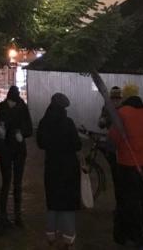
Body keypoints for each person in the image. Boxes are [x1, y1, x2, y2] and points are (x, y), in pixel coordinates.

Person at [109, 83, 143, 248]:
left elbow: (114, 139)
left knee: (130, 201)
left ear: (126, 97)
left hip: (126, 164)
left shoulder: (121, 114)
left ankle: (134, 234)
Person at [36, 92, 81, 247]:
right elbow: (77, 145)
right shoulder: (68, 123)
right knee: (67, 202)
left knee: (53, 200)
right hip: (68, 167)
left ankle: (51, 234)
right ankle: (68, 237)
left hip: (52, 166)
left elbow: (40, 143)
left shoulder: (44, 122)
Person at [0, 85, 33, 227]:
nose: (11, 103)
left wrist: (21, 133)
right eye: (10, 101)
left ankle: (16, 215)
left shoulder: (22, 107)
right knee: (7, 183)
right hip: (7, 149)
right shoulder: (2, 108)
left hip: (17, 149)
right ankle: (4, 215)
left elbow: (29, 128)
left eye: (13, 101)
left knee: (16, 183)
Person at [98, 86, 124, 242]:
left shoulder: (123, 109)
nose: (115, 101)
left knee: (119, 175)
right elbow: (102, 122)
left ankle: (121, 206)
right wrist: (102, 121)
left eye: (117, 98)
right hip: (112, 143)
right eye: (113, 98)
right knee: (116, 175)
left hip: (120, 145)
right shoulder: (106, 107)